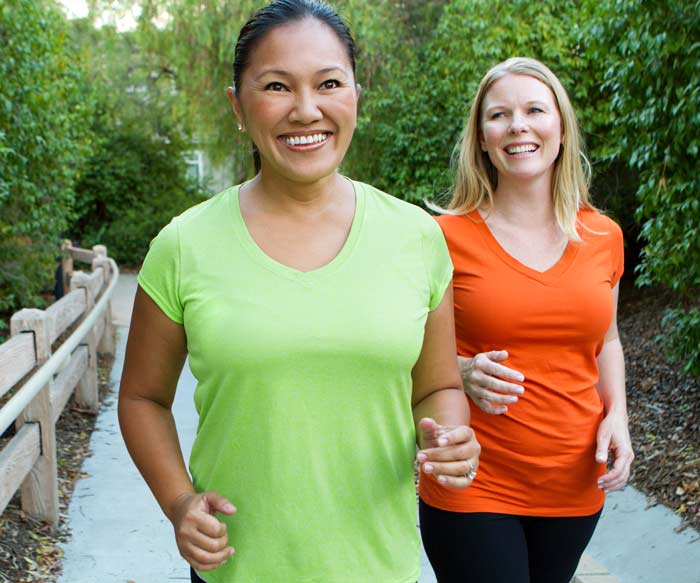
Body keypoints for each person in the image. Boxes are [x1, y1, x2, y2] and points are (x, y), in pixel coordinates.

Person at [118, 2, 480, 582]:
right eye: (277, 86)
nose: (306, 109)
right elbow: (141, 399)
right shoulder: (183, 246)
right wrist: (179, 502)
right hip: (237, 570)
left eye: (329, 83)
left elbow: (436, 386)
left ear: (356, 95)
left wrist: (450, 435)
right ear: (238, 107)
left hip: (379, 567)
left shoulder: (416, 237)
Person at [419, 57, 634, 583]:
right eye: (499, 115)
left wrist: (619, 417)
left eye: (534, 109)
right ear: (483, 139)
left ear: (560, 130)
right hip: (474, 478)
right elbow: (400, 349)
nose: (518, 125)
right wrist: (461, 370)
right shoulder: (442, 239)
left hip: (573, 481)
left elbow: (605, 338)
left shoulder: (604, 236)